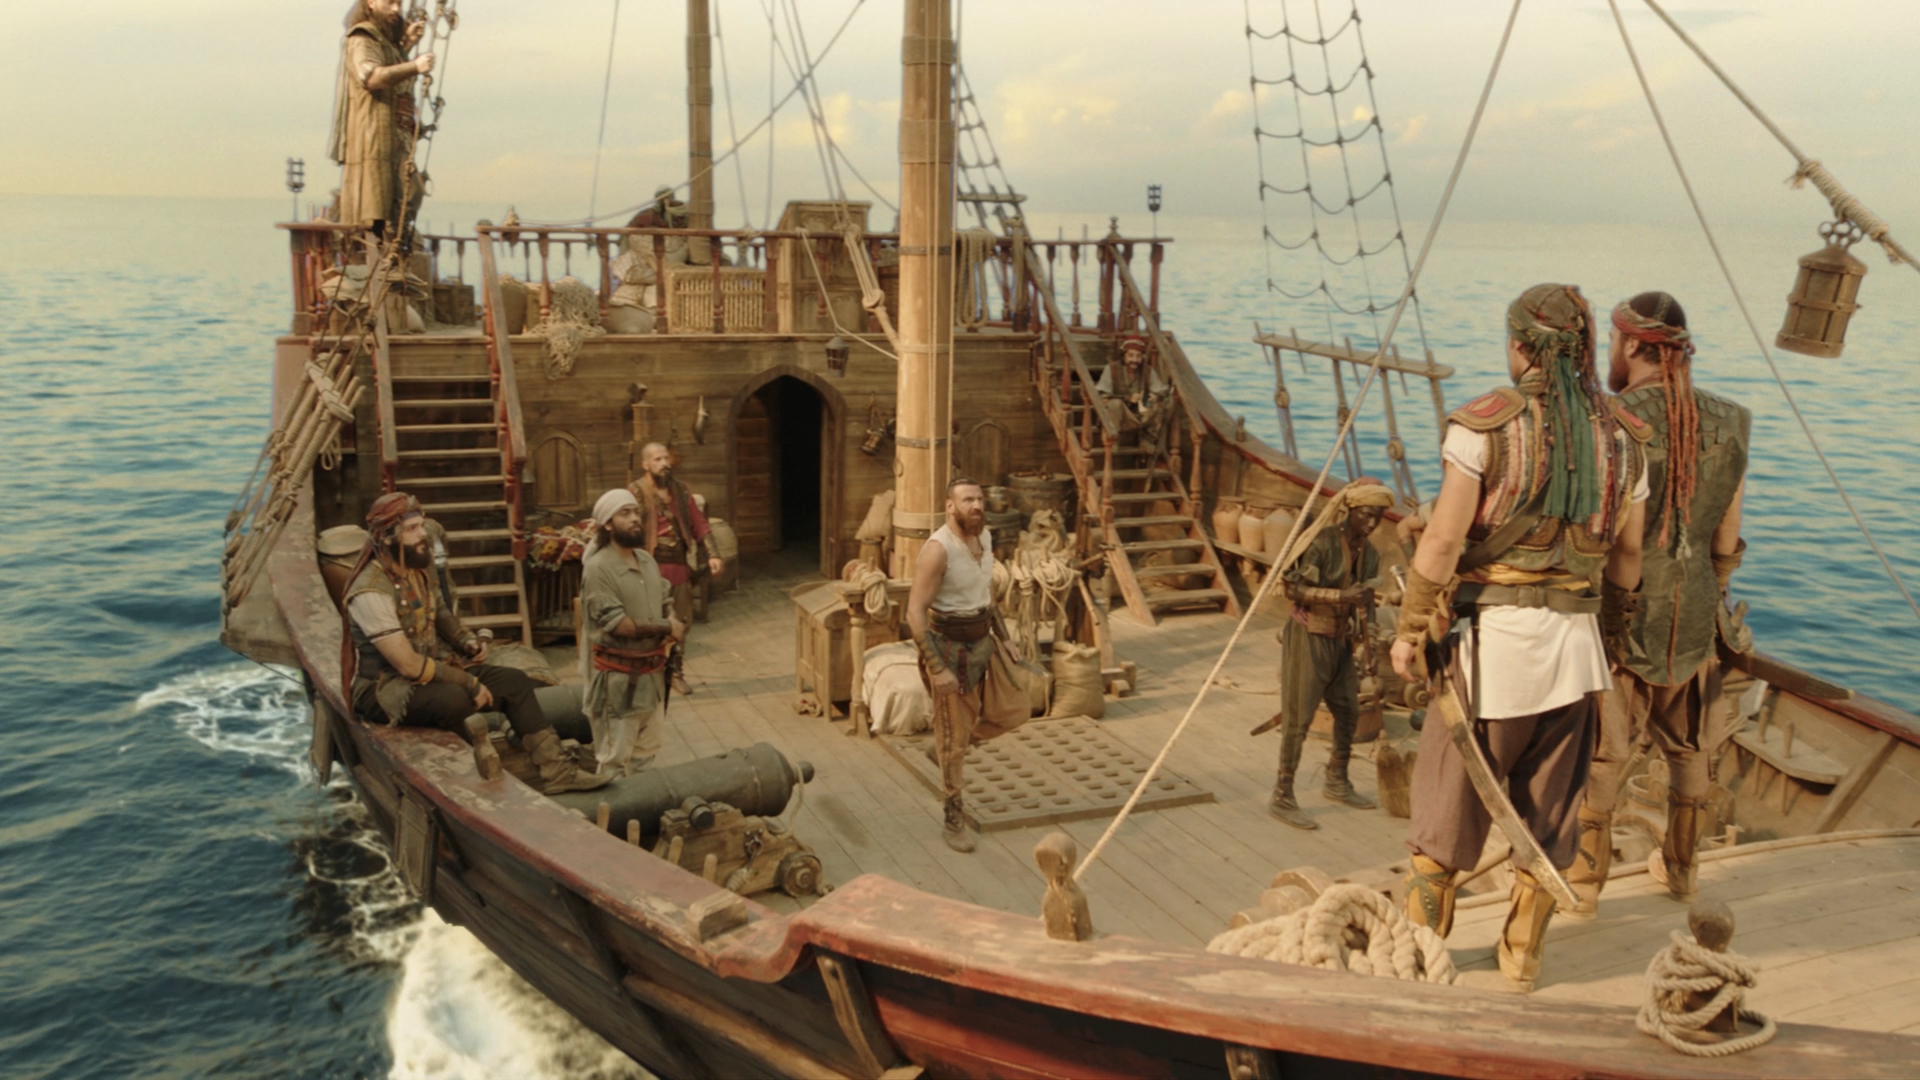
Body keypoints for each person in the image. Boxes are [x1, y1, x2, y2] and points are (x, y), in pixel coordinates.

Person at [1390, 283, 1647, 991]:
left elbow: (1443, 541)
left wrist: (1409, 629)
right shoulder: (1627, 437)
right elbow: (1627, 558)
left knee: (1443, 816)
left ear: (1520, 346)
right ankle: (1522, 961)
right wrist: (1612, 641)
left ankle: (1419, 962)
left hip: (1490, 650)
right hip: (1576, 656)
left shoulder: (1484, 426)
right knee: (1550, 813)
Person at [1571, 292, 1749, 913]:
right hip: (1696, 609)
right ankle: (1682, 872)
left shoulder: (1611, 417)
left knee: (1605, 749)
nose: (1608, 353)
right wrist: (1714, 588)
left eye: (1611, 342)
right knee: (1690, 746)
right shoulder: (1733, 419)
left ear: (1629, 344)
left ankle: (1584, 886)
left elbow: (1597, 529)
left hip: (1623, 609)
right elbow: (1726, 533)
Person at [342, 492, 608, 794]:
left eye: (421, 526)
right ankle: (475, 782)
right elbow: (407, 665)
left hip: (424, 674)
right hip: (385, 689)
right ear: (387, 538)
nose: (422, 535)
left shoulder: (414, 570)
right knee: (454, 700)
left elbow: (441, 613)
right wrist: (468, 682)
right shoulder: (370, 592)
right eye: (412, 529)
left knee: (513, 682)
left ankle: (557, 771)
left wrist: (465, 641)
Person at [1268, 479, 1395, 829]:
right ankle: (1282, 795)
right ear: (1350, 510)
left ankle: (1337, 780)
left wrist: (1370, 645)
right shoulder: (1322, 542)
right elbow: (1294, 589)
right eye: (1366, 515)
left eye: (1378, 517)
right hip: (1307, 636)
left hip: (1341, 640)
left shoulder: (1370, 554)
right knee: (1298, 718)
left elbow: (1367, 602)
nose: (1372, 523)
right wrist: (1340, 597)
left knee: (1349, 711)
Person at [906, 477, 1014, 853]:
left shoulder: (984, 538)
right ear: (950, 506)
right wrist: (938, 669)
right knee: (954, 747)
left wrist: (1005, 637)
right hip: (949, 649)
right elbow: (914, 612)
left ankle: (951, 743)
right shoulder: (938, 550)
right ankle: (953, 820)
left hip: (984, 642)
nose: (977, 505)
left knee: (1016, 709)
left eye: (980, 498)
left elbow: (987, 595)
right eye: (968, 500)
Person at [580, 489, 686, 776]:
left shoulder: (646, 560)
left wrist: (671, 618)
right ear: (608, 524)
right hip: (617, 685)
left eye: (636, 512)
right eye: (624, 513)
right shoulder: (599, 568)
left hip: (651, 680)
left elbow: (665, 599)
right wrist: (668, 627)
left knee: (645, 759)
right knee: (614, 762)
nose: (634, 518)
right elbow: (618, 624)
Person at [328, 0, 433, 236]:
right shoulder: (362, 37)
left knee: (408, 194)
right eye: (390, 2)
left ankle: (392, 245)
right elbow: (372, 77)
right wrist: (415, 66)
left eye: (399, 3)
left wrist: (406, 44)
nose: (396, 9)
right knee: (376, 203)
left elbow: (389, 64)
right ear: (371, 3)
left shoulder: (385, 41)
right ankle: (378, 247)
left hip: (395, 140)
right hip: (372, 139)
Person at [628, 442, 723, 695]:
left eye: (666, 459)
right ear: (645, 464)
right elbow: (627, 529)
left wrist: (713, 553)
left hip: (678, 567)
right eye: (657, 459)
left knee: (680, 622)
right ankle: (648, 673)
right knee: (650, 624)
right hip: (649, 568)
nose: (664, 464)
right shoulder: (635, 493)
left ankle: (675, 672)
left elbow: (698, 523)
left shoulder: (680, 490)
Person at [1095, 335, 1172, 453]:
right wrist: (1128, 398)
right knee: (1115, 404)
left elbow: (1162, 390)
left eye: (1138, 356)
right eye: (1131, 355)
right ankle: (1113, 441)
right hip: (1116, 417)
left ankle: (1147, 440)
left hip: (1138, 416)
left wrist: (1155, 397)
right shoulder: (1111, 369)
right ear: (1124, 356)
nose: (1134, 360)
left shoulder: (1147, 371)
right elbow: (1102, 396)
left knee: (1164, 402)